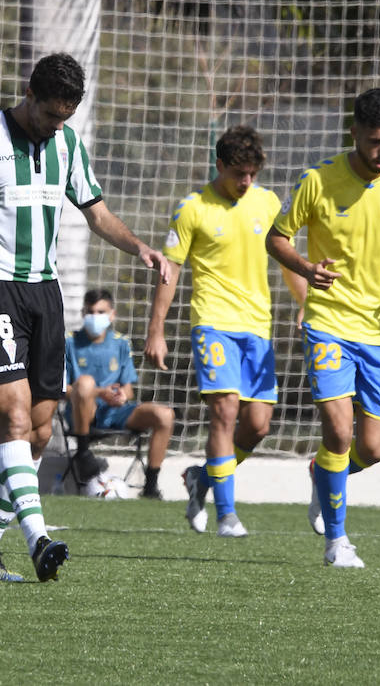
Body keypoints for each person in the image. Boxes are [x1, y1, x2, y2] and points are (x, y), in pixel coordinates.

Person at [0, 52, 172, 582]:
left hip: (46, 294)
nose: (55, 126)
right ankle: (38, 539)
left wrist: (140, 248)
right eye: (49, 115)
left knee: (36, 433)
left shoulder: (67, 145)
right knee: (11, 418)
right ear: (28, 94)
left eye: (65, 119)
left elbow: (96, 212)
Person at [266, 88, 380, 569]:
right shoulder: (318, 181)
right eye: (376, 140)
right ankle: (338, 543)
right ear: (354, 131)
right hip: (329, 322)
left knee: (374, 449)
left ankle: (323, 474)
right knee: (338, 431)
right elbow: (278, 238)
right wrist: (304, 266)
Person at [145, 125, 307, 537]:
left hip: (257, 326)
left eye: (252, 173)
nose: (246, 181)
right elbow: (171, 271)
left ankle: (203, 478)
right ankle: (227, 515)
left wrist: (307, 302)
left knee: (257, 425)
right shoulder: (192, 207)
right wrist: (156, 330)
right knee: (225, 410)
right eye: (239, 173)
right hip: (212, 321)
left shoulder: (269, 203)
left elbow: (288, 259)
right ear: (220, 166)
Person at [65, 289, 174, 498]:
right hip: (83, 413)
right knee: (85, 383)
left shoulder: (121, 342)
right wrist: (98, 392)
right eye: (90, 312)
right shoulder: (69, 342)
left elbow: (128, 389)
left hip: (114, 411)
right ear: (82, 314)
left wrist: (122, 396)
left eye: (100, 312)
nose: (95, 317)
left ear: (112, 315)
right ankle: (82, 452)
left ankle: (150, 486)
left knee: (165, 415)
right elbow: (61, 389)